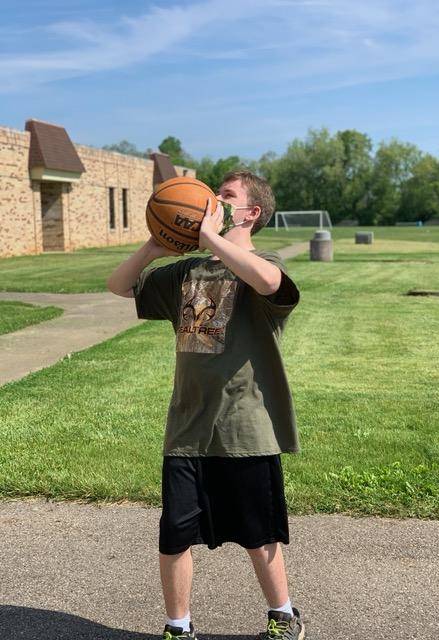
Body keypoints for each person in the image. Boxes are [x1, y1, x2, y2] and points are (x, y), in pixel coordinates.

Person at [107, 170, 304, 640]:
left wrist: (212, 237)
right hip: (187, 429)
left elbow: (271, 281)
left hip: (245, 427)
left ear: (252, 213)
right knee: (174, 534)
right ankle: (178, 626)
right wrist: (155, 246)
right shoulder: (184, 275)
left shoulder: (262, 263)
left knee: (259, 534)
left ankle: (283, 616)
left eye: (227, 197)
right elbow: (118, 285)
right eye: (214, 194)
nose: (214, 200)